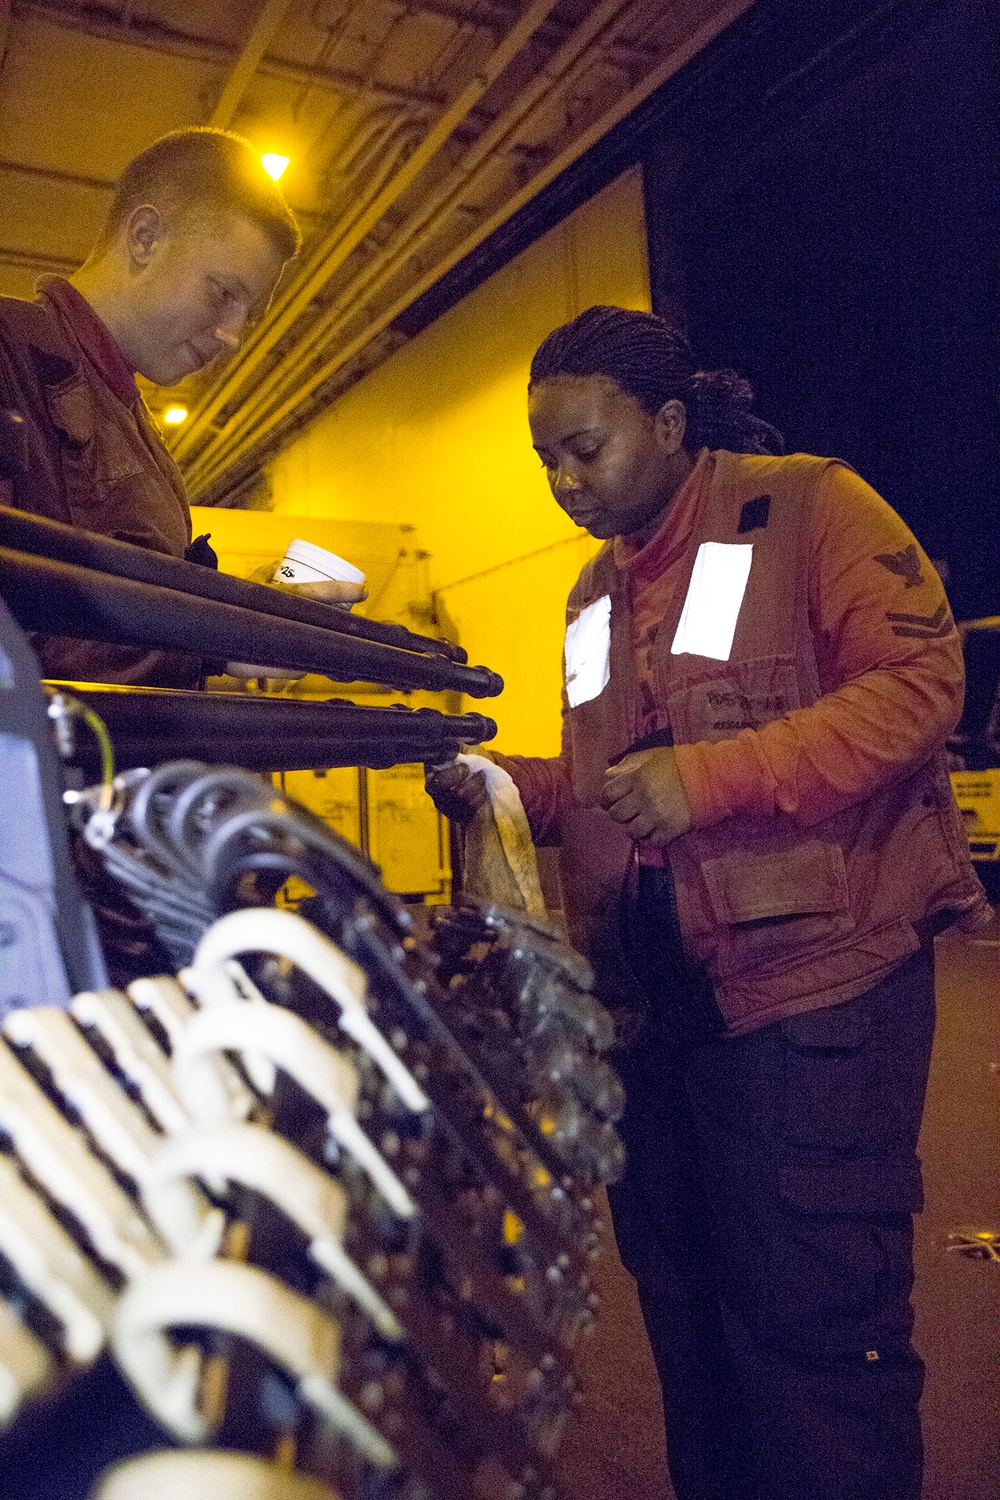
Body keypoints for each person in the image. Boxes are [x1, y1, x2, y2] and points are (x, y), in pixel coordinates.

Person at [429, 305, 989, 1500]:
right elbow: (604, 786)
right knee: (691, 1328)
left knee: (813, 1334)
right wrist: (500, 785)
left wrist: (711, 778)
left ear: (668, 422)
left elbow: (918, 684)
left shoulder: (804, 509)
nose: (563, 482)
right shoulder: (590, 595)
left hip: (811, 997)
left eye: (584, 449)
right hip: (655, 1008)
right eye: (545, 462)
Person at [0, 126, 362, 687]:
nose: (233, 335)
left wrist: (239, 609)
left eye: (250, 314)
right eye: (223, 292)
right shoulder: (10, 358)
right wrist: (214, 642)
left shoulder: (134, 429)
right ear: (144, 237)